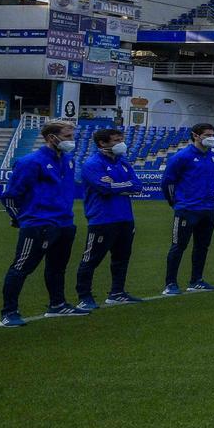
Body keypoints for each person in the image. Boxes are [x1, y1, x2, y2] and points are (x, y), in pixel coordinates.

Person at [0, 118, 83, 326]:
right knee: (22, 267)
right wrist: (21, 219)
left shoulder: (68, 160)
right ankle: (9, 312)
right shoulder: (30, 162)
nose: (71, 140)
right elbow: (11, 196)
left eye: (72, 135)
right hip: (38, 223)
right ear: (51, 137)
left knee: (57, 267)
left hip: (64, 223)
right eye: (67, 136)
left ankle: (57, 305)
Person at [74, 127, 141, 309]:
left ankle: (117, 293)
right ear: (102, 143)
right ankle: (84, 296)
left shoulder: (123, 162)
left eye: (121, 139)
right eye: (116, 140)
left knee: (121, 258)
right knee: (91, 259)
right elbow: (103, 188)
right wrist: (122, 186)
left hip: (125, 218)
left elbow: (137, 185)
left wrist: (116, 186)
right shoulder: (92, 164)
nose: (121, 143)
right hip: (102, 218)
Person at [161, 122, 214, 294]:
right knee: (178, 246)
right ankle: (170, 283)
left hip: (208, 209)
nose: (211, 138)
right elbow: (167, 182)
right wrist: (175, 202)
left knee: (202, 246)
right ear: (196, 135)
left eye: (212, 135)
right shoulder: (182, 156)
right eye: (207, 135)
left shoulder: (213, 157)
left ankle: (196, 280)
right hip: (187, 208)